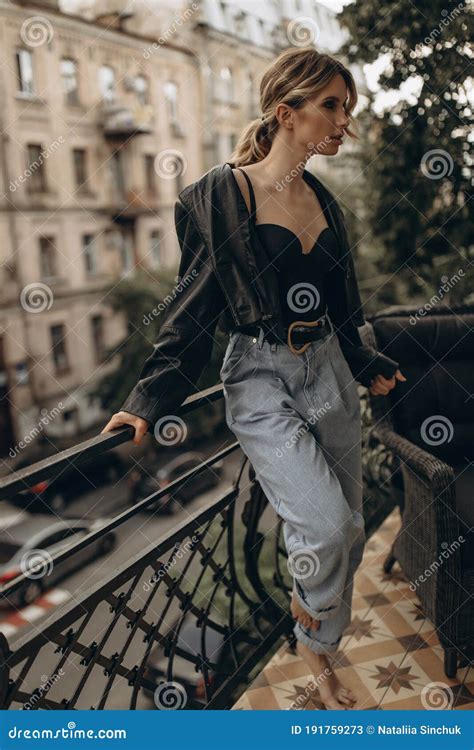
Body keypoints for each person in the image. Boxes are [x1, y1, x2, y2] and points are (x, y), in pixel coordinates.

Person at [102, 46, 407, 709]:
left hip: (328, 365)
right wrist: (149, 399)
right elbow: (193, 304)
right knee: (327, 529)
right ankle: (310, 610)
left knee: (351, 521)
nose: (343, 122)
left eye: (348, 110)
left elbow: (344, 309)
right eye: (330, 106)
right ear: (285, 112)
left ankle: (319, 650)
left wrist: (366, 362)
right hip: (260, 376)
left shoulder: (325, 199)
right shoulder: (224, 194)